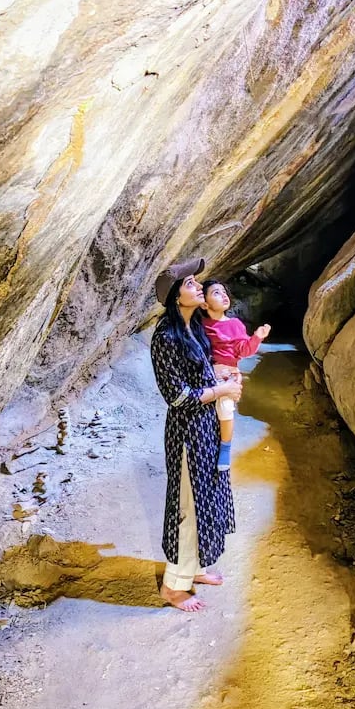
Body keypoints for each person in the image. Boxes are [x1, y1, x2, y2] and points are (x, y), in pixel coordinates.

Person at [151, 257, 242, 612]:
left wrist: (224, 377)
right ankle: (173, 587)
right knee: (188, 505)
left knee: (206, 497)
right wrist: (221, 391)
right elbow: (176, 397)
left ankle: (196, 568)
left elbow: (203, 374)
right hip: (187, 433)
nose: (199, 286)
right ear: (176, 297)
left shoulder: (195, 328)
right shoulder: (166, 337)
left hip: (206, 427)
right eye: (190, 283)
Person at [201, 279, 271, 471]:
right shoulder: (202, 325)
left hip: (227, 375)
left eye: (224, 292)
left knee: (225, 408)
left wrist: (257, 337)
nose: (223, 295)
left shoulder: (235, 324)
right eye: (216, 293)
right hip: (207, 372)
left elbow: (244, 349)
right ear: (204, 304)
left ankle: (225, 447)